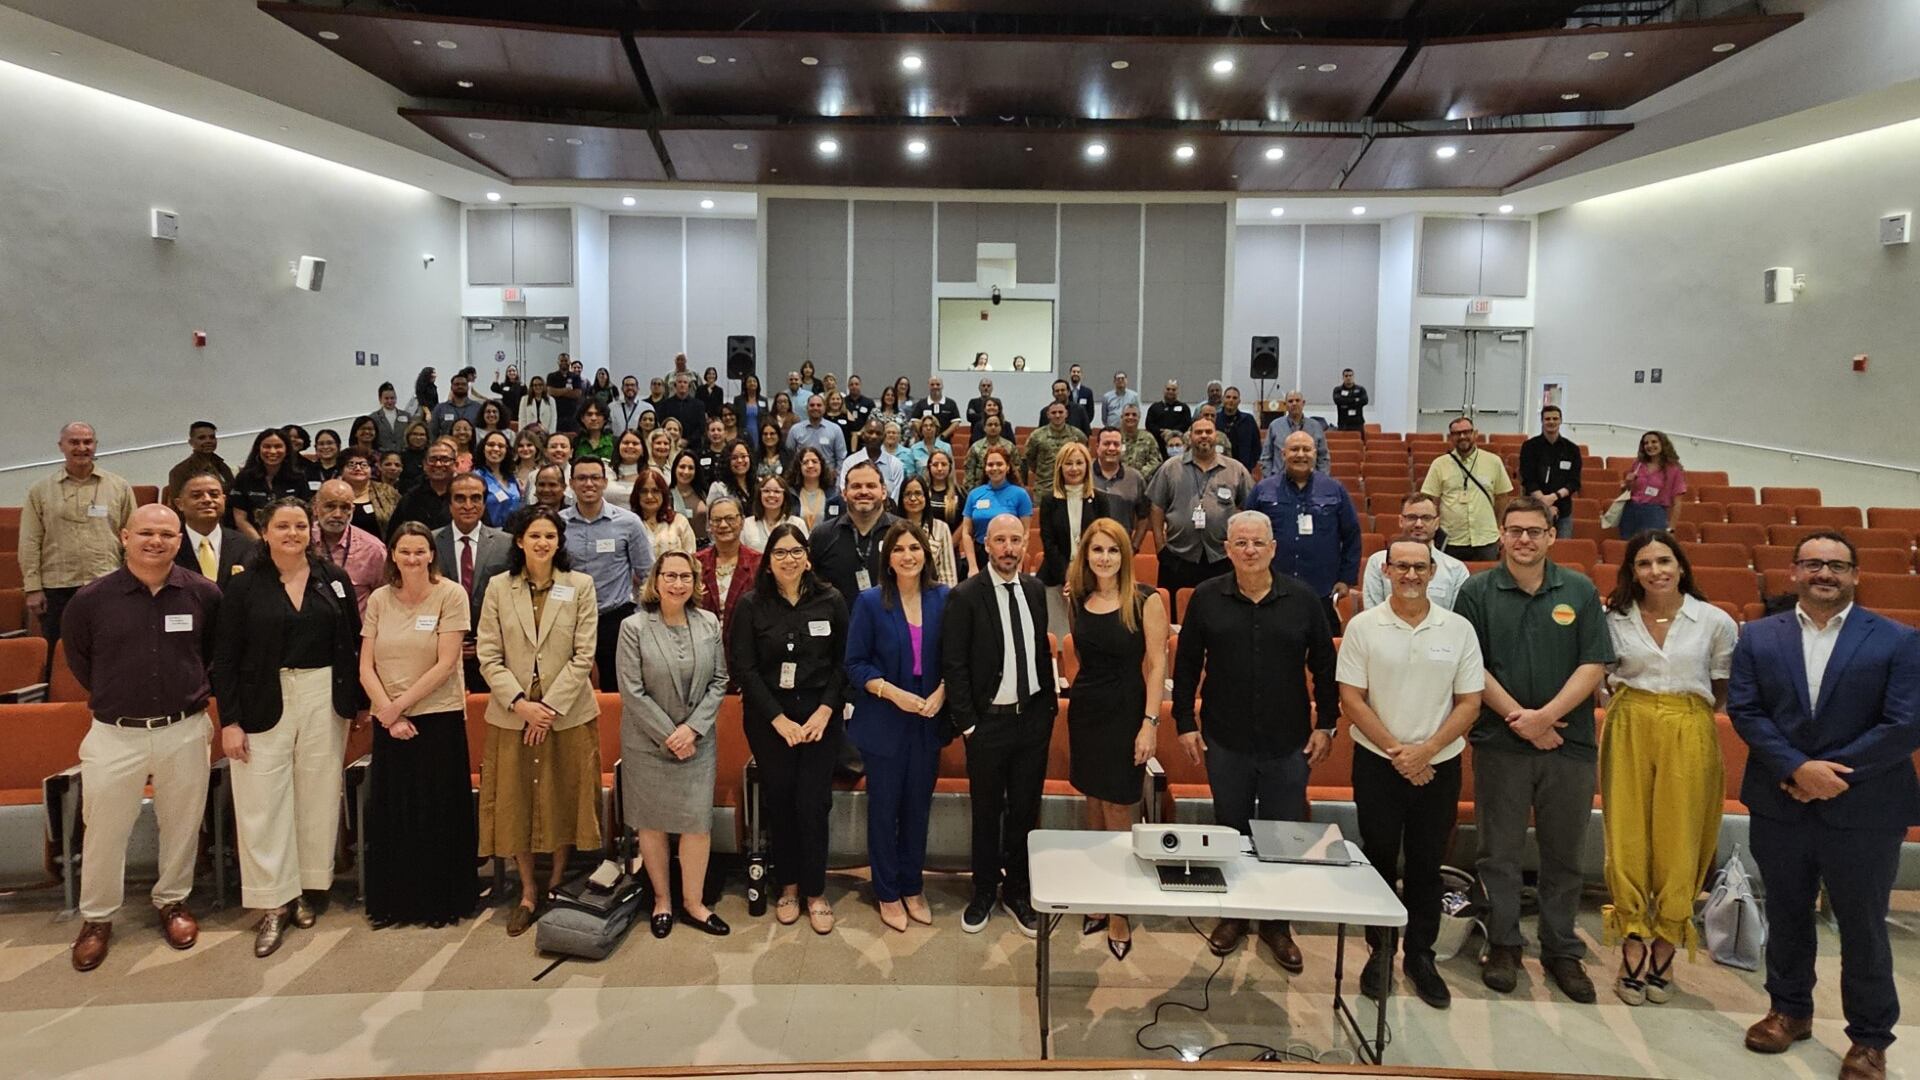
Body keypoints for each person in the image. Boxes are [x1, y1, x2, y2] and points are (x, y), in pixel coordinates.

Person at [1729, 534, 1920, 1080]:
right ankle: (1789, 1011)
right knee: (1787, 914)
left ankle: (1869, 1039)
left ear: (1856, 575)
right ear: (1793, 573)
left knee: (1862, 926)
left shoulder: (1898, 640)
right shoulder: (1759, 636)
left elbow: (1904, 723)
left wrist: (1829, 774)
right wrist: (1796, 768)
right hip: (1780, 800)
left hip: (1865, 808)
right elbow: (1746, 709)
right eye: (1813, 564)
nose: (1824, 574)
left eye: (1837, 565)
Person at [1452, 495, 1614, 1003]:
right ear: (1500, 534)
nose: (1524, 539)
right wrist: (1521, 720)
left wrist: (1545, 718)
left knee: (1564, 853)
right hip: (1501, 743)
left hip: (1569, 745)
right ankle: (1502, 942)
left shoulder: (1580, 589)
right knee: (1497, 852)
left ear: (1550, 536)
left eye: (1534, 531)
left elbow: (1594, 664)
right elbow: (1468, 665)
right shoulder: (1476, 591)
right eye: (1514, 530)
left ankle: (1561, 949)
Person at [1173, 510, 1337, 972]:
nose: (1249, 551)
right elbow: (1186, 667)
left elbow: (1325, 667)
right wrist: (1185, 722)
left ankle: (1277, 925)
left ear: (1273, 548)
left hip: (1289, 744)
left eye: (1257, 543)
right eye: (1240, 543)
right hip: (1225, 741)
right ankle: (1235, 916)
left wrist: (1326, 723)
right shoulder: (1206, 598)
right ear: (1227, 549)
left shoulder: (1304, 600)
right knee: (1232, 833)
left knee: (1283, 837)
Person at [62, 504, 222, 972]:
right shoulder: (91, 600)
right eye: (146, 533)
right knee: (105, 829)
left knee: (181, 823)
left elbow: (211, 654)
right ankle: (97, 917)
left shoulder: (204, 595)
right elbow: (81, 661)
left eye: (167, 535)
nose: (157, 542)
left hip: (185, 727)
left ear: (179, 540)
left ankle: (172, 901)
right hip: (115, 733)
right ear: (125, 536)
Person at [1336, 536, 1485, 1008]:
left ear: (1434, 572)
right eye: (1401, 566)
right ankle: (1379, 951)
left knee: (1425, 866)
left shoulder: (1458, 629)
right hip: (1379, 763)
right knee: (1378, 858)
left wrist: (1427, 751)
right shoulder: (1364, 627)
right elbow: (1352, 699)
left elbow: (1470, 702)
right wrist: (1400, 752)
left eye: (1420, 567)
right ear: (1385, 571)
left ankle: (1420, 956)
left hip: (1437, 767)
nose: (1411, 575)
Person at [212, 498, 366, 958]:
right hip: (264, 698)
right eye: (283, 525)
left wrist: (355, 703)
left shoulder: (333, 580)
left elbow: (351, 645)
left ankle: (305, 889)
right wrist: (231, 721)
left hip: (324, 696)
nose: (293, 533)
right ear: (266, 530)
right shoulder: (243, 587)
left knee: (317, 795)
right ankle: (272, 901)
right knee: (262, 801)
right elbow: (225, 659)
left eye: (301, 525)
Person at [1598, 530, 1738, 1005]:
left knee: (1682, 836)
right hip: (1629, 723)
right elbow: (1602, 677)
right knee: (1628, 834)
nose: (1655, 571)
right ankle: (1633, 939)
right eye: (1643, 563)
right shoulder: (1614, 617)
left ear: (1681, 566)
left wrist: (1683, 715)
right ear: (1631, 571)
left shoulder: (1714, 621)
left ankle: (1667, 941)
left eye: (1664, 561)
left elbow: (1720, 687)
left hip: (1689, 724)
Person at [474, 506, 603, 938]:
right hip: (513, 716)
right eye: (535, 536)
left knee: (564, 797)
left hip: (566, 716)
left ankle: (555, 884)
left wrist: (546, 710)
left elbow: (584, 656)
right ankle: (526, 890)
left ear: (559, 542)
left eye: (550, 536)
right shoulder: (498, 587)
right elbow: (488, 655)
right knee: (516, 804)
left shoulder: (580, 585)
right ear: (519, 541)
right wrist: (520, 704)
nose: (543, 543)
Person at [356, 522, 477, 929]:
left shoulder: (450, 594)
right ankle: (397, 903)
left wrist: (399, 707)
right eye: (404, 551)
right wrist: (388, 713)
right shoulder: (378, 599)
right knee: (395, 814)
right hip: (390, 722)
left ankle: (439, 901)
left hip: (437, 718)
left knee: (437, 812)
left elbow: (446, 664)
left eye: (419, 551)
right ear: (392, 554)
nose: (412, 558)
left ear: (431, 554)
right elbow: (364, 665)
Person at [731, 523, 850, 934]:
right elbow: (744, 669)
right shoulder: (750, 605)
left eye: (795, 551)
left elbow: (843, 664)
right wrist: (778, 720)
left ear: (807, 556)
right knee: (780, 801)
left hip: (820, 718)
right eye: (779, 553)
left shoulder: (831, 600)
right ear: (768, 561)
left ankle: (816, 892)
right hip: (770, 721)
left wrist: (823, 713)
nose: (788, 559)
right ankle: (789, 886)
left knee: (813, 804)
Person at [945, 514, 1056, 936]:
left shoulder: (1033, 590)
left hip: (1032, 721)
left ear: (1025, 544)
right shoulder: (967, 595)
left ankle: (1018, 891)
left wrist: (1046, 711)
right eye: (1000, 540)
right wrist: (968, 725)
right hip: (987, 725)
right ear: (986, 545)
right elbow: (954, 664)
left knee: (1025, 811)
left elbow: (1040, 652)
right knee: (987, 811)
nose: (1009, 548)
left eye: (1016, 540)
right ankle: (984, 891)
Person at [1063, 518, 1167, 960]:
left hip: (1128, 713)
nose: (1103, 557)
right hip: (1087, 712)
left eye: (1112, 550)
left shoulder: (1146, 600)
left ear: (1125, 556)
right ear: (1086, 555)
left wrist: (1150, 723)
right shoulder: (1079, 600)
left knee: (1119, 807)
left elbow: (1158, 665)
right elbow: (1077, 657)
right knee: (1091, 803)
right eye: (1096, 550)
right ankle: (1098, 896)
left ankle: (1120, 908)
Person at [616, 551, 732, 939]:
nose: (677, 583)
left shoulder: (709, 623)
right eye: (670, 575)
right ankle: (662, 900)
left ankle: (694, 903)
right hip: (648, 745)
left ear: (696, 582)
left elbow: (720, 681)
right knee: (652, 824)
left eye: (685, 576)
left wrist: (692, 730)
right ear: (656, 580)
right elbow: (631, 691)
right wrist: (669, 733)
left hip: (697, 744)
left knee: (696, 824)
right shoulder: (633, 627)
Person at [846, 521, 950, 932]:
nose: (908, 555)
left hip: (928, 719)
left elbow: (955, 656)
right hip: (885, 720)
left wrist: (943, 691)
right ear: (886, 558)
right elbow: (855, 664)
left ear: (927, 553)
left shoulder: (943, 597)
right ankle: (887, 892)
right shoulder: (871, 602)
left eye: (915, 547)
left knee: (917, 810)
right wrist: (891, 692)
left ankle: (912, 886)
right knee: (884, 809)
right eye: (899, 549)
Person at [21, 422, 136, 645]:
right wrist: (33, 587)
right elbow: (30, 540)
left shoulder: (119, 487)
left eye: (87, 442)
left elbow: (131, 537)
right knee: (60, 654)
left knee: (110, 650)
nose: (82, 447)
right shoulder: (40, 490)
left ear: (95, 445)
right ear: (61, 446)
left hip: (107, 583)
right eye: (74, 442)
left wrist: (131, 582)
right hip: (57, 587)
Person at [1247, 430, 1362, 632]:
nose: (1300, 454)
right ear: (1283, 454)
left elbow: (1351, 535)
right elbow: (1246, 534)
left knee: (1322, 655)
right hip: (1272, 589)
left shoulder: (1334, 490)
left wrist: (1346, 579)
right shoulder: (1263, 490)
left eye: (1306, 449)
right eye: (1294, 449)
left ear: (1315, 453)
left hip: (1321, 589)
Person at [561, 457, 655, 693]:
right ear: (571, 483)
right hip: (567, 618)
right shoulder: (557, 524)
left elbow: (647, 574)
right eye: (581, 478)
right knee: (568, 689)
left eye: (595, 477)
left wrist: (641, 617)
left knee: (619, 689)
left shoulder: (629, 523)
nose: (588, 483)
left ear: (604, 482)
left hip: (614, 618)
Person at [1146, 415, 1251, 593]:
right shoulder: (1170, 468)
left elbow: (1249, 508)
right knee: (1175, 615)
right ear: (1190, 436)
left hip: (1222, 558)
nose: (1204, 436)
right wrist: (1160, 547)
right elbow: (1156, 506)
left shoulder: (1236, 470)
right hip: (1178, 557)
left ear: (1216, 436)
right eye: (1198, 432)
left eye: (1208, 431)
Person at [1420, 415, 1513, 562]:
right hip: (1451, 540)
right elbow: (1432, 501)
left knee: (1485, 582)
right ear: (1450, 438)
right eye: (1457, 433)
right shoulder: (1439, 464)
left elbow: (1502, 498)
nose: (1462, 436)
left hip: (1486, 539)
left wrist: (1496, 526)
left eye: (1466, 432)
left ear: (1475, 434)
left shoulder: (1493, 461)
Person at [810, 459, 900, 612]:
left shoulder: (904, 533)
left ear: (884, 492)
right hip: (838, 630)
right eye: (856, 486)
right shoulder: (822, 535)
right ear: (844, 493)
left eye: (871, 486)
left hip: (892, 628)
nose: (864, 492)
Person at [1038, 443, 1110, 630]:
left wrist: (1080, 574)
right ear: (1059, 467)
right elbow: (1049, 543)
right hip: (1056, 577)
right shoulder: (1049, 501)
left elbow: (1104, 541)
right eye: (1068, 463)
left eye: (1079, 463)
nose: (1074, 468)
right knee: (1059, 638)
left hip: (1092, 575)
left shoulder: (1100, 500)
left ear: (1087, 466)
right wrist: (1067, 576)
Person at [1361, 492, 1469, 609]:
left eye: (1426, 518)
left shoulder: (1456, 569)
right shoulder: (1377, 562)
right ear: (1401, 521)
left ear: (1437, 523)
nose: (1418, 524)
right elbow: (1372, 614)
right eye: (1412, 517)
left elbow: (1457, 620)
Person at [311, 479, 387, 614]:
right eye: (330, 506)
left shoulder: (373, 550)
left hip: (355, 632)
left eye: (345, 508)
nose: (337, 514)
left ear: (353, 510)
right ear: (316, 508)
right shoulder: (303, 542)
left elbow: (385, 599)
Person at [173, 469, 259, 585]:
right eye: (196, 496)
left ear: (223, 500)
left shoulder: (245, 545)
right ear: (180, 504)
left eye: (214, 495)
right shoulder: (170, 546)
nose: (207, 500)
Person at [959, 445, 1033, 573]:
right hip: (980, 556)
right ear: (985, 468)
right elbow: (966, 533)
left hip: (1009, 555)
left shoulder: (1020, 494)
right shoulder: (974, 494)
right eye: (990, 464)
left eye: (999, 464)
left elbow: (1025, 534)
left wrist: (1019, 565)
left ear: (1008, 467)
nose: (994, 468)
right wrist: (972, 566)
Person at [697, 497, 760, 644]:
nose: (723, 525)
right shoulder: (695, 563)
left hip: (746, 646)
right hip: (703, 646)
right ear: (710, 525)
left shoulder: (759, 563)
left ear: (742, 521)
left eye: (730, 518)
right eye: (717, 520)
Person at [227, 428, 309, 539]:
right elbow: (240, 519)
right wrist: (261, 544)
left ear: (287, 450)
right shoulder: (244, 478)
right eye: (267, 446)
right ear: (258, 449)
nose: (272, 451)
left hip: (290, 539)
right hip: (254, 542)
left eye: (278, 446)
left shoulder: (298, 478)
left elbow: (304, 515)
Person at [1520, 405, 1583, 539]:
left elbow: (1574, 482)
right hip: (1534, 509)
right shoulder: (1529, 447)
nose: (1551, 422)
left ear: (1560, 421)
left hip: (1563, 511)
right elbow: (1528, 479)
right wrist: (1543, 502)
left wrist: (1553, 497)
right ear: (1542, 421)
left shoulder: (1572, 449)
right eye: (1547, 418)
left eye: (1555, 418)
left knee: (1562, 552)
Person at [1090, 426, 1151, 550]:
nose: (1111, 448)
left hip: (1121, 550)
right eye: (1106, 444)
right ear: (1097, 447)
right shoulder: (1084, 474)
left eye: (1116, 444)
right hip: (1087, 550)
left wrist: (1134, 546)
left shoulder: (1135, 478)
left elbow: (1143, 517)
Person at [1618, 430, 1687, 538]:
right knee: (1629, 547)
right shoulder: (1638, 464)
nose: (1649, 446)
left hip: (1655, 513)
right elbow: (1626, 491)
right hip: (1631, 511)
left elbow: (1677, 503)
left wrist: (1671, 529)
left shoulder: (1674, 469)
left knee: (1651, 548)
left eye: (1654, 442)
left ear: (1663, 444)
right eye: (1646, 443)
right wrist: (1627, 482)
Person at [894, 474, 958, 587]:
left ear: (926, 496)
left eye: (918, 493)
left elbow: (948, 574)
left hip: (932, 594)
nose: (913, 498)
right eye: (908, 494)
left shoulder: (941, 528)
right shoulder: (893, 528)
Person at [388, 438, 458, 537]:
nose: (438, 464)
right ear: (424, 465)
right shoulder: (411, 498)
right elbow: (394, 536)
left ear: (455, 464)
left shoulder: (466, 495)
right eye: (433, 459)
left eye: (445, 459)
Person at [1260, 390, 1330, 477]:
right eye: (1290, 401)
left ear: (1303, 403)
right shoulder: (1275, 426)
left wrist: (1322, 479)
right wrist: (1270, 479)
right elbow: (1266, 457)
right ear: (1285, 405)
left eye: (1297, 400)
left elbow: (1323, 457)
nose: (1294, 403)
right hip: (1280, 481)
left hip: (1309, 480)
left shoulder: (1316, 426)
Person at [164, 420, 234, 504]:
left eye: (212, 437)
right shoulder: (180, 471)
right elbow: (178, 505)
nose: (208, 441)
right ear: (191, 442)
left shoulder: (222, 466)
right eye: (202, 438)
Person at [1023, 401, 1087, 490]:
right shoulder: (1036, 436)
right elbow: (1030, 458)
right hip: (1044, 486)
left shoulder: (1077, 435)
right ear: (1048, 415)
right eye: (1053, 413)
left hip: (1070, 486)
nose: (1057, 415)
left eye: (1060, 412)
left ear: (1066, 414)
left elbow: (1085, 457)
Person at [839, 417, 906, 501]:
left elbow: (896, 496)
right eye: (870, 432)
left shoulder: (895, 464)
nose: (874, 436)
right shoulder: (850, 462)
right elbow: (845, 491)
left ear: (884, 437)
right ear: (863, 435)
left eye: (878, 433)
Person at [339, 448, 400, 538]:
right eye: (351, 465)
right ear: (342, 470)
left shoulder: (387, 491)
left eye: (364, 465)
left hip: (381, 548)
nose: (358, 468)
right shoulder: (331, 491)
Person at [785, 393, 847, 476]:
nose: (815, 408)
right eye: (812, 405)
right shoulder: (795, 429)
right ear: (807, 408)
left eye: (819, 405)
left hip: (828, 479)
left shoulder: (835, 429)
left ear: (824, 408)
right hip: (802, 477)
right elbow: (789, 456)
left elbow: (841, 457)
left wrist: (837, 475)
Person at [744, 474, 806, 555]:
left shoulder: (797, 523)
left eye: (777, 491)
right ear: (759, 495)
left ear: (785, 496)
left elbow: (804, 554)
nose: (771, 495)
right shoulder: (746, 524)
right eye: (766, 491)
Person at [474, 430, 524, 527]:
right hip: (488, 534)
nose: (496, 449)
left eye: (501, 446)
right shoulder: (475, 478)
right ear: (483, 448)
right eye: (491, 444)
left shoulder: (512, 478)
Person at [787, 446, 837, 530]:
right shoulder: (791, 494)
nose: (810, 465)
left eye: (814, 461)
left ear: (821, 464)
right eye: (805, 462)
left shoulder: (832, 494)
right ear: (799, 467)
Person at [963, 412, 1016, 490]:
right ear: (984, 428)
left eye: (996, 424)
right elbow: (969, 472)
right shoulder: (976, 447)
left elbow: (1016, 471)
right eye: (990, 425)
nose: (993, 427)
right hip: (979, 488)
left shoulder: (1010, 447)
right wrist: (971, 491)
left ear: (1001, 427)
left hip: (1005, 488)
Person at [1217, 387, 1261, 473]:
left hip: (1243, 469)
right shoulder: (1215, 419)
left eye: (1234, 398)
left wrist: (1250, 464)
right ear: (1223, 399)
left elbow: (1257, 446)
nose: (1231, 400)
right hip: (1219, 469)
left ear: (1239, 401)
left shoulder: (1248, 420)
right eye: (1228, 397)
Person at [430, 371, 484, 439]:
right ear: (451, 387)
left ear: (468, 387)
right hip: (446, 448)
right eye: (457, 384)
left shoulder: (478, 408)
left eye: (463, 384)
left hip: (471, 448)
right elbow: (433, 433)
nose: (460, 386)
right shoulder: (440, 408)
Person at [705, 438, 757, 509]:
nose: (739, 460)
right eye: (734, 458)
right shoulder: (718, 488)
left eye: (743, 456)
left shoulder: (758, 483)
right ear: (727, 461)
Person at [658, 372, 708, 444]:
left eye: (685, 382)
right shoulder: (665, 404)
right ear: (675, 386)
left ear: (689, 386)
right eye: (679, 382)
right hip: (670, 444)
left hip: (693, 446)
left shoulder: (699, 405)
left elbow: (701, 428)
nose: (682, 385)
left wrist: (687, 441)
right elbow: (662, 425)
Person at [899, 414, 951, 481]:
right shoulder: (914, 449)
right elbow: (910, 474)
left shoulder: (946, 447)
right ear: (921, 429)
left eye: (931, 425)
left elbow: (951, 472)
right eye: (925, 426)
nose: (928, 428)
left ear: (936, 428)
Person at [1118, 404, 1164, 478]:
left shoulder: (1148, 438)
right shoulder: (1116, 437)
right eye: (1127, 414)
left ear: (1139, 417)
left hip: (1142, 481)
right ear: (1121, 417)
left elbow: (1156, 460)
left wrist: (1140, 475)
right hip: (1118, 480)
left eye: (1134, 415)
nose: (1130, 417)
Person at [1144, 380, 1192, 452]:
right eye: (1168, 389)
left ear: (1177, 392)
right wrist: (1161, 431)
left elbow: (1187, 423)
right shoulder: (1154, 407)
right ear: (1164, 390)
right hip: (1157, 444)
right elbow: (1149, 424)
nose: (1170, 391)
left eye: (1173, 390)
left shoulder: (1184, 407)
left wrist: (1172, 432)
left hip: (1177, 444)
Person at [545, 354, 585, 431]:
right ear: (558, 362)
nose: (564, 362)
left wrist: (558, 391)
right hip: (556, 414)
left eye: (566, 360)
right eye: (561, 360)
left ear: (569, 362)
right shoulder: (551, 376)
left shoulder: (575, 377)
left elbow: (577, 394)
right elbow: (550, 391)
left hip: (572, 415)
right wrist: (567, 390)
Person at [372, 382, 410, 452]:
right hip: (383, 456)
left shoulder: (407, 416)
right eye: (386, 398)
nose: (390, 401)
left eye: (392, 398)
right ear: (380, 399)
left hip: (404, 455)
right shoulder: (373, 418)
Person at [965, 378, 1002, 443]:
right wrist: (991, 414)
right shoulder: (973, 402)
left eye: (988, 386)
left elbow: (999, 416)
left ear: (992, 388)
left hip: (995, 437)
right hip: (976, 436)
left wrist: (978, 415)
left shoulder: (997, 401)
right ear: (979, 388)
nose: (986, 388)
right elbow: (970, 417)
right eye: (983, 385)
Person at [397, 421, 431, 491]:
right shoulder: (400, 457)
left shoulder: (431, 456)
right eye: (414, 434)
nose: (418, 437)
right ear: (408, 436)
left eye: (422, 435)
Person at [734, 374, 767, 440]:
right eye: (749, 381)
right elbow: (735, 417)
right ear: (745, 385)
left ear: (758, 384)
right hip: (742, 431)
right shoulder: (738, 400)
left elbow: (766, 417)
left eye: (754, 381)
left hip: (759, 432)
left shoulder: (763, 400)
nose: (752, 383)